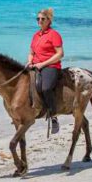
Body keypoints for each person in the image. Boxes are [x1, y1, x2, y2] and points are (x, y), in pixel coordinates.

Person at [27, 7, 64, 135]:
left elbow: (60, 54)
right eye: (38, 19)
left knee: (46, 88)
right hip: (35, 65)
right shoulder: (36, 35)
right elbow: (31, 52)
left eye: (43, 19)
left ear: (49, 20)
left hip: (51, 66)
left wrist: (43, 64)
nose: (40, 21)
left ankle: (53, 117)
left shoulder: (54, 34)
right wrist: (30, 61)